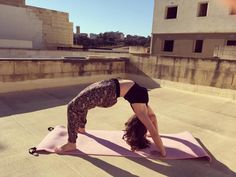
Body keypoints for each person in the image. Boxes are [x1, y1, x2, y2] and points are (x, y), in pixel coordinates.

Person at [55, 78, 166, 156]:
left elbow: (153, 127)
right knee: (80, 103)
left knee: (72, 106)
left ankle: (71, 143)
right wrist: (156, 140)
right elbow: (153, 118)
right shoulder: (143, 110)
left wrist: (163, 152)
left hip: (109, 89)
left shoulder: (142, 109)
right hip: (109, 86)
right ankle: (81, 128)